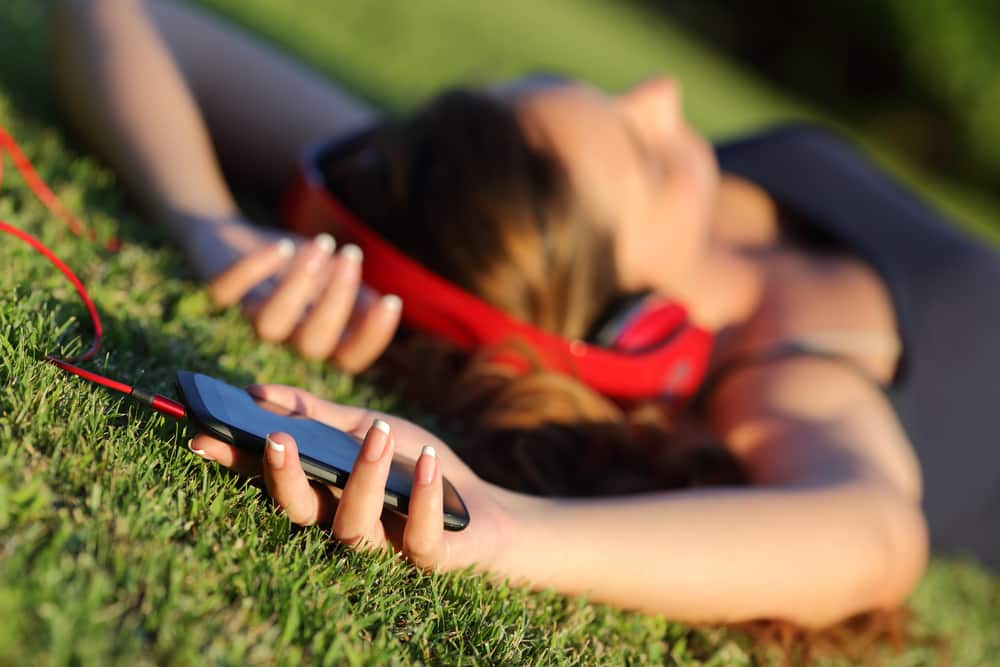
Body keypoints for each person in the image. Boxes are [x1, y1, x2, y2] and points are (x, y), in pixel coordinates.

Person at [48, 0, 1000, 632]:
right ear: (624, 334)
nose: (666, 99)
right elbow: (876, 536)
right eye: (649, 155)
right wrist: (511, 528)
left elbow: (127, 13)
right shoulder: (791, 372)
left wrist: (216, 230)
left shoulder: (510, 202)